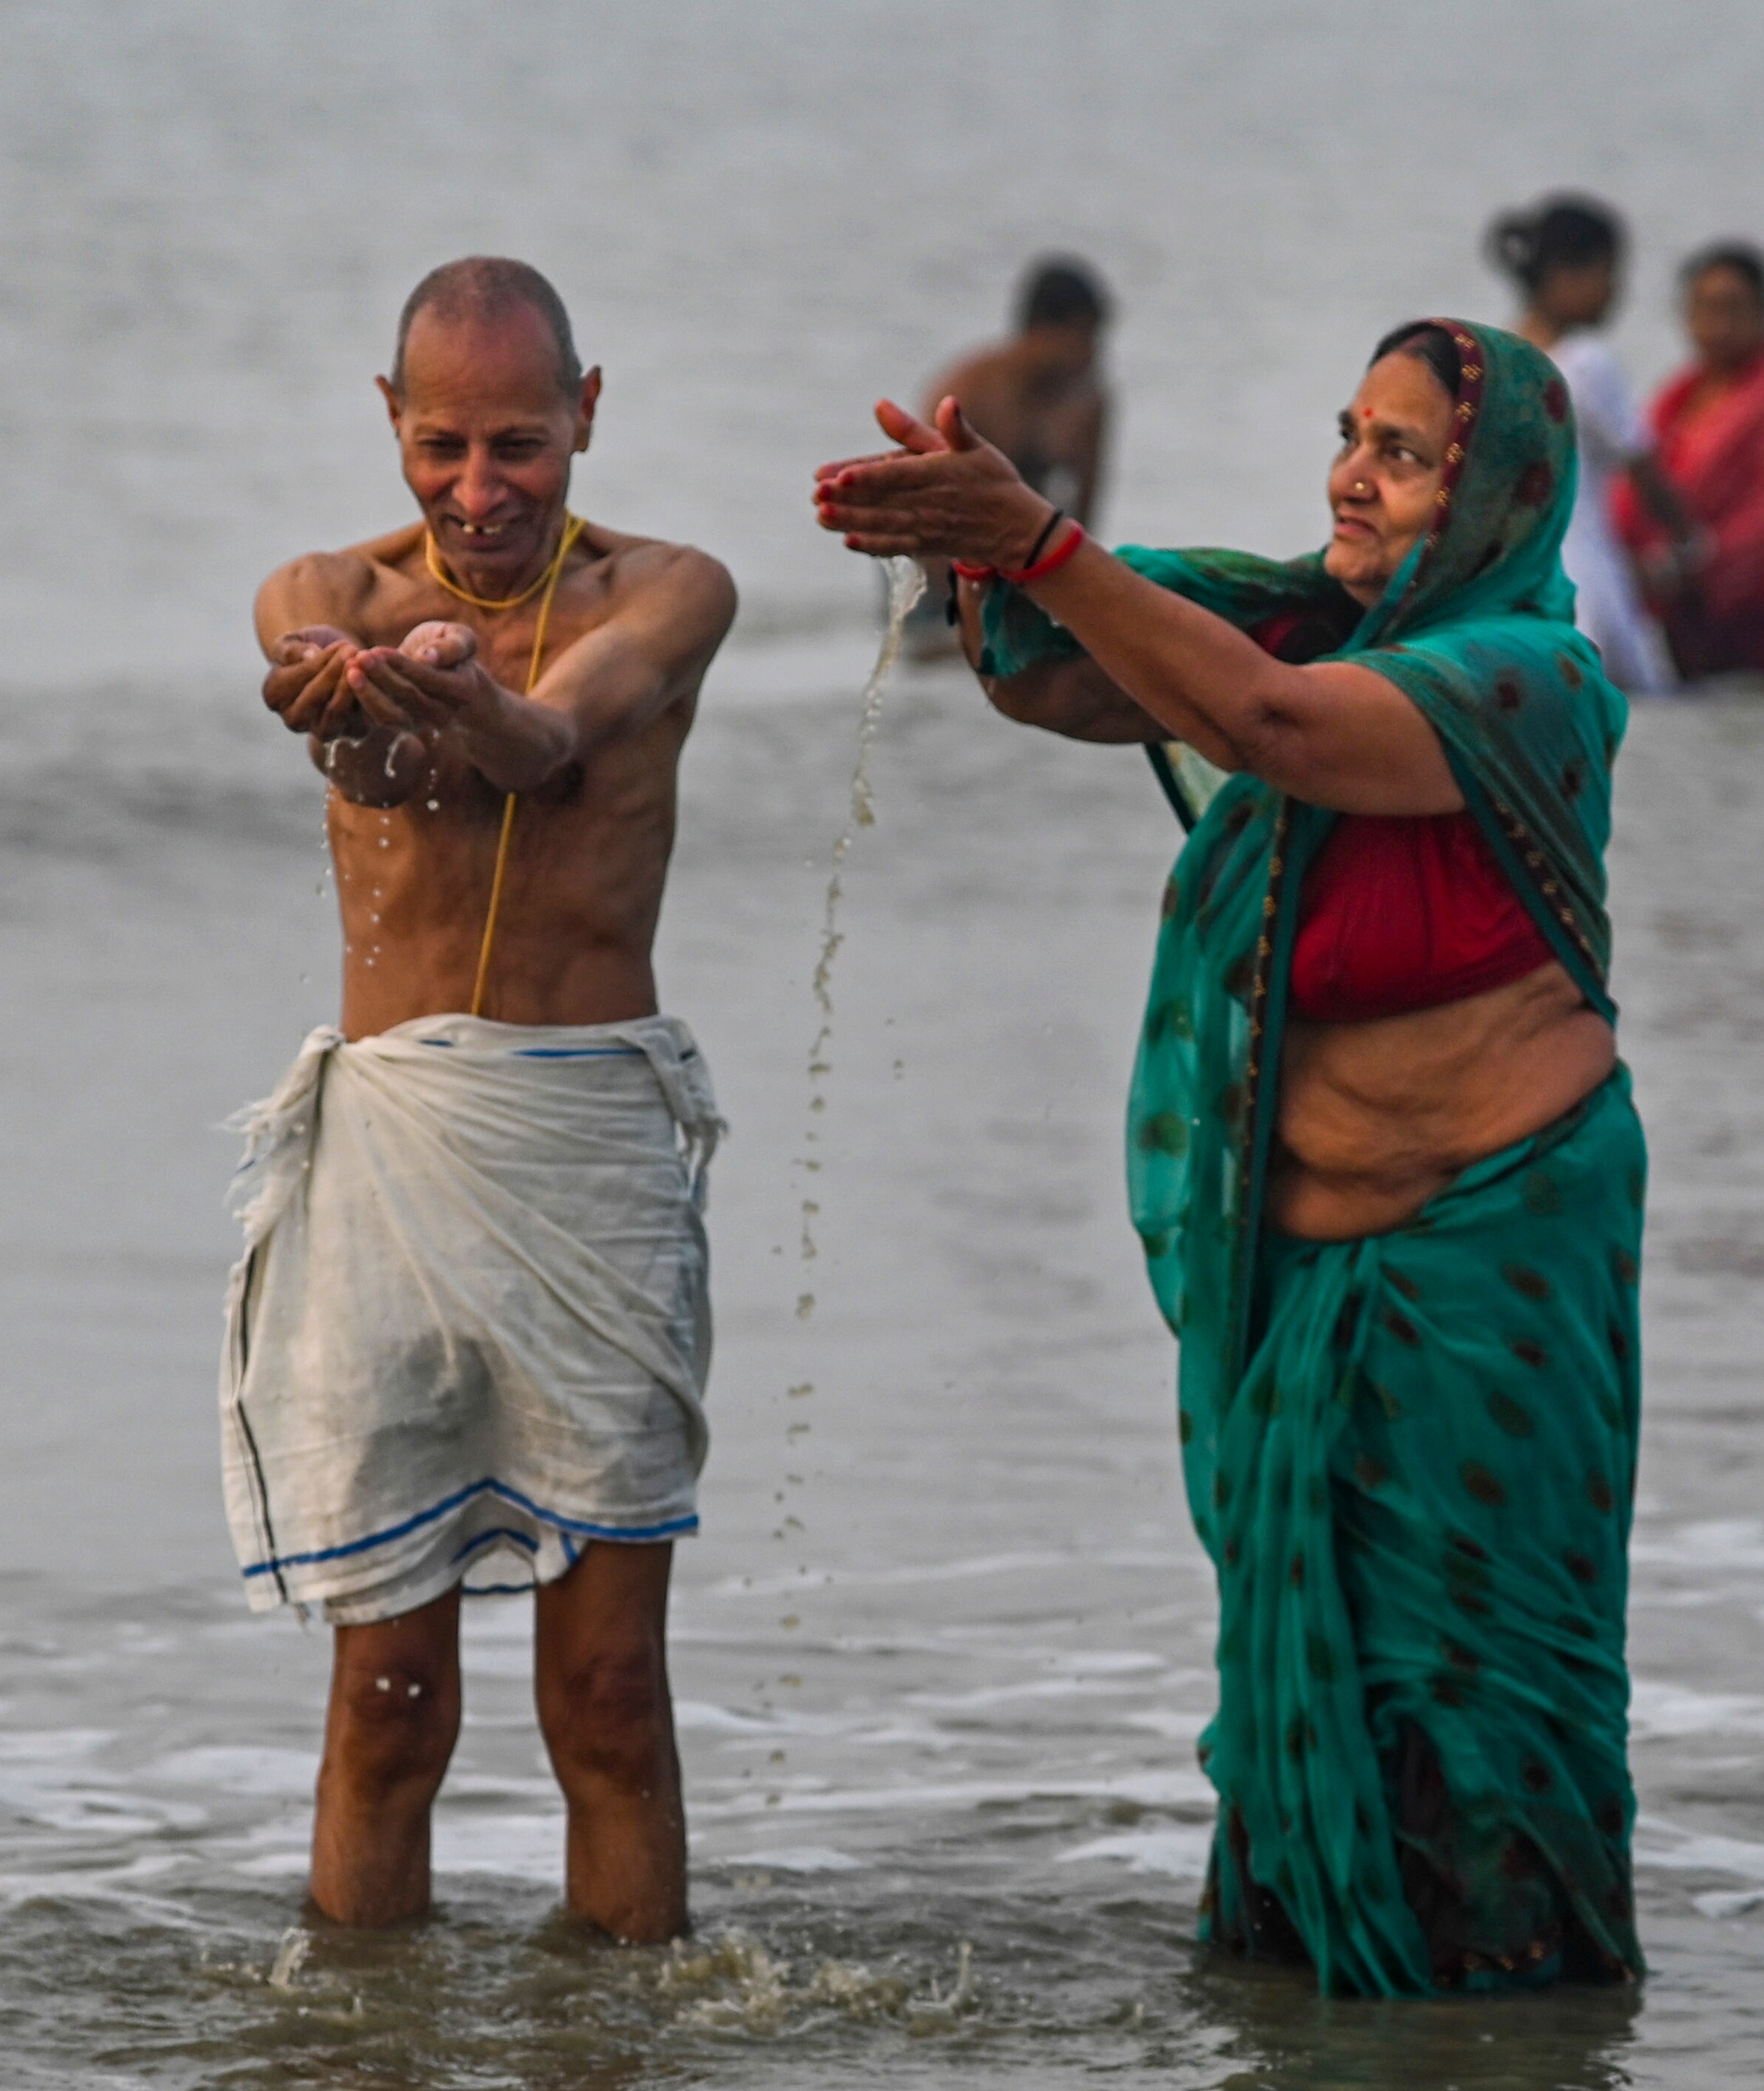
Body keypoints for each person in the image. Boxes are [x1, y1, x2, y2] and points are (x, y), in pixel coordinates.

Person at [813, 318, 1644, 1999]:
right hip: (1310, 1292)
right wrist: (994, 546)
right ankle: (1331, 2084)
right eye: (1348, 435)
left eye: (1402, 455)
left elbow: (1270, 721)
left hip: (1488, 1276)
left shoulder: (1533, 679)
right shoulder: (1311, 620)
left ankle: (1521, 2075)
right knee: (1303, 1714)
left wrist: (1043, 538)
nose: (1351, 476)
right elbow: (1058, 671)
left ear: (1495, 496)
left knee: (1477, 1726)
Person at [227, 256, 739, 1943]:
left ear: (585, 414)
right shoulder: (321, 594)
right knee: (388, 1702)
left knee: (608, 1696)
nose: (478, 488)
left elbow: (547, 744)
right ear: (390, 422)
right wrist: (346, 699)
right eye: (440, 445)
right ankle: (362, 2074)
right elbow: (361, 757)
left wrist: (471, 697)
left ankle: (623, 2072)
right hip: (391, 1159)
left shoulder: (672, 591)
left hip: (589, 1155)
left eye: (518, 444)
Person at [1617, 240, 1764, 692]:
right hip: (1693, 625)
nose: (1718, 324)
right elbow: (1633, 489)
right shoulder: (1681, 395)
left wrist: (1692, 563)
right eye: (1705, 308)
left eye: (1733, 308)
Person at [1487, 192, 1689, 695]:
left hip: (1515, 584)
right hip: (1588, 574)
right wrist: (1691, 543)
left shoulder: (1496, 359)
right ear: (1565, 274)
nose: (1616, 291)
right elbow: (1646, 473)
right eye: (1608, 273)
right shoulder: (1587, 362)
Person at [923, 256, 1113, 528]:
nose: (1091, 354)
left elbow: (1086, 517)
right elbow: (927, 495)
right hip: (952, 530)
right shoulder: (965, 394)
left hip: (1029, 537)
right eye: (1083, 337)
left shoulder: (1085, 403)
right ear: (1042, 331)